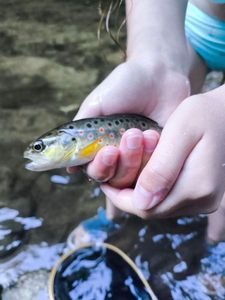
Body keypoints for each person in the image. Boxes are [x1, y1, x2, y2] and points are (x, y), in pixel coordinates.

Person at [68, 0, 225, 244]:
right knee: (123, 146)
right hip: (195, 24)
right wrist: (152, 59)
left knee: (217, 169)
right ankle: (114, 219)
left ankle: (214, 242)